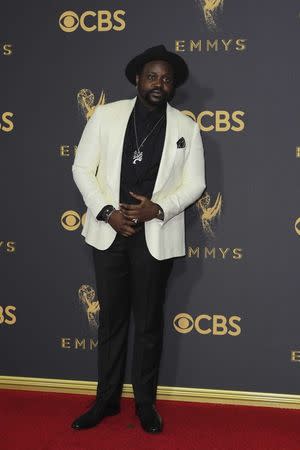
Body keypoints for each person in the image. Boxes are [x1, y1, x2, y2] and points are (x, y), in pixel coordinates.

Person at [71, 44, 206, 433]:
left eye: (166, 78)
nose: (159, 83)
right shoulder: (106, 116)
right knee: (111, 322)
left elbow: (195, 184)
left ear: (173, 84)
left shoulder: (186, 127)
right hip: (109, 232)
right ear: (137, 79)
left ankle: (145, 404)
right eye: (152, 76)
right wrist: (107, 212)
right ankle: (106, 401)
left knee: (147, 325)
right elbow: (82, 168)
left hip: (155, 234)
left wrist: (158, 208)